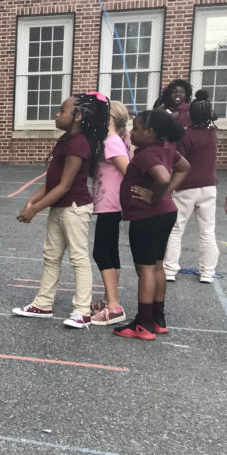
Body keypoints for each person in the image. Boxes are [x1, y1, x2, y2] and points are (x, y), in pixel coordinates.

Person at [13, 92, 109, 328]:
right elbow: (51, 182)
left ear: (77, 116)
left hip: (75, 208)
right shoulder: (66, 139)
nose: (57, 115)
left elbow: (65, 186)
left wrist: (34, 210)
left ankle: (82, 311)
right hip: (59, 206)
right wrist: (31, 202)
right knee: (51, 256)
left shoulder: (79, 144)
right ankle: (43, 304)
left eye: (62, 111)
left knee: (78, 259)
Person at [114, 110, 189, 341]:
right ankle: (158, 319)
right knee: (157, 266)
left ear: (150, 132)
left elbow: (163, 178)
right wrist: (165, 195)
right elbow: (184, 167)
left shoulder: (146, 154)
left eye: (135, 128)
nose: (131, 132)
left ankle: (143, 324)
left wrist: (156, 196)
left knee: (145, 269)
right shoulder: (165, 147)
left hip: (148, 216)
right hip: (164, 214)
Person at [163, 90, 219, 284]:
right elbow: (211, 118)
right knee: (207, 230)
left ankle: (170, 270)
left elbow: (177, 161)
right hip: (209, 186)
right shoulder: (212, 132)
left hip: (186, 186)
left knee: (176, 229)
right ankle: (207, 272)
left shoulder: (186, 136)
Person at [89, 101, 131, 326]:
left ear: (109, 121)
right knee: (111, 252)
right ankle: (109, 298)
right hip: (109, 204)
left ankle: (114, 306)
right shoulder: (113, 141)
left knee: (101, 253)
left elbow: (128, 171)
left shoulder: (112, 142)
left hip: (111, 204)